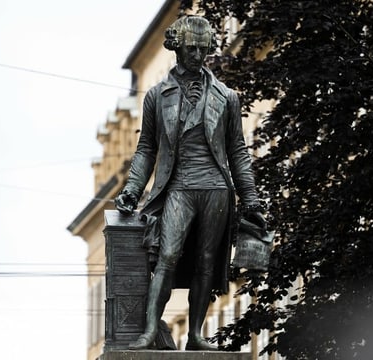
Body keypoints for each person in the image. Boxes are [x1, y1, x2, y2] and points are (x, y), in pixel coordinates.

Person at [114, 15, 265, 351]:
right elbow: (146, 150)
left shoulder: (226, 97)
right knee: (166, 255)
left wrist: (250, 198)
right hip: (178, 187)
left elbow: (238, 152)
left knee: (207, 261)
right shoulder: (156, 96)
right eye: (191, 48)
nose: (198, 55)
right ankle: (151, 330)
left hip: (216, 188)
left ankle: (196, 334)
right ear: (177, 47)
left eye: (203, 48)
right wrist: (131, 191)